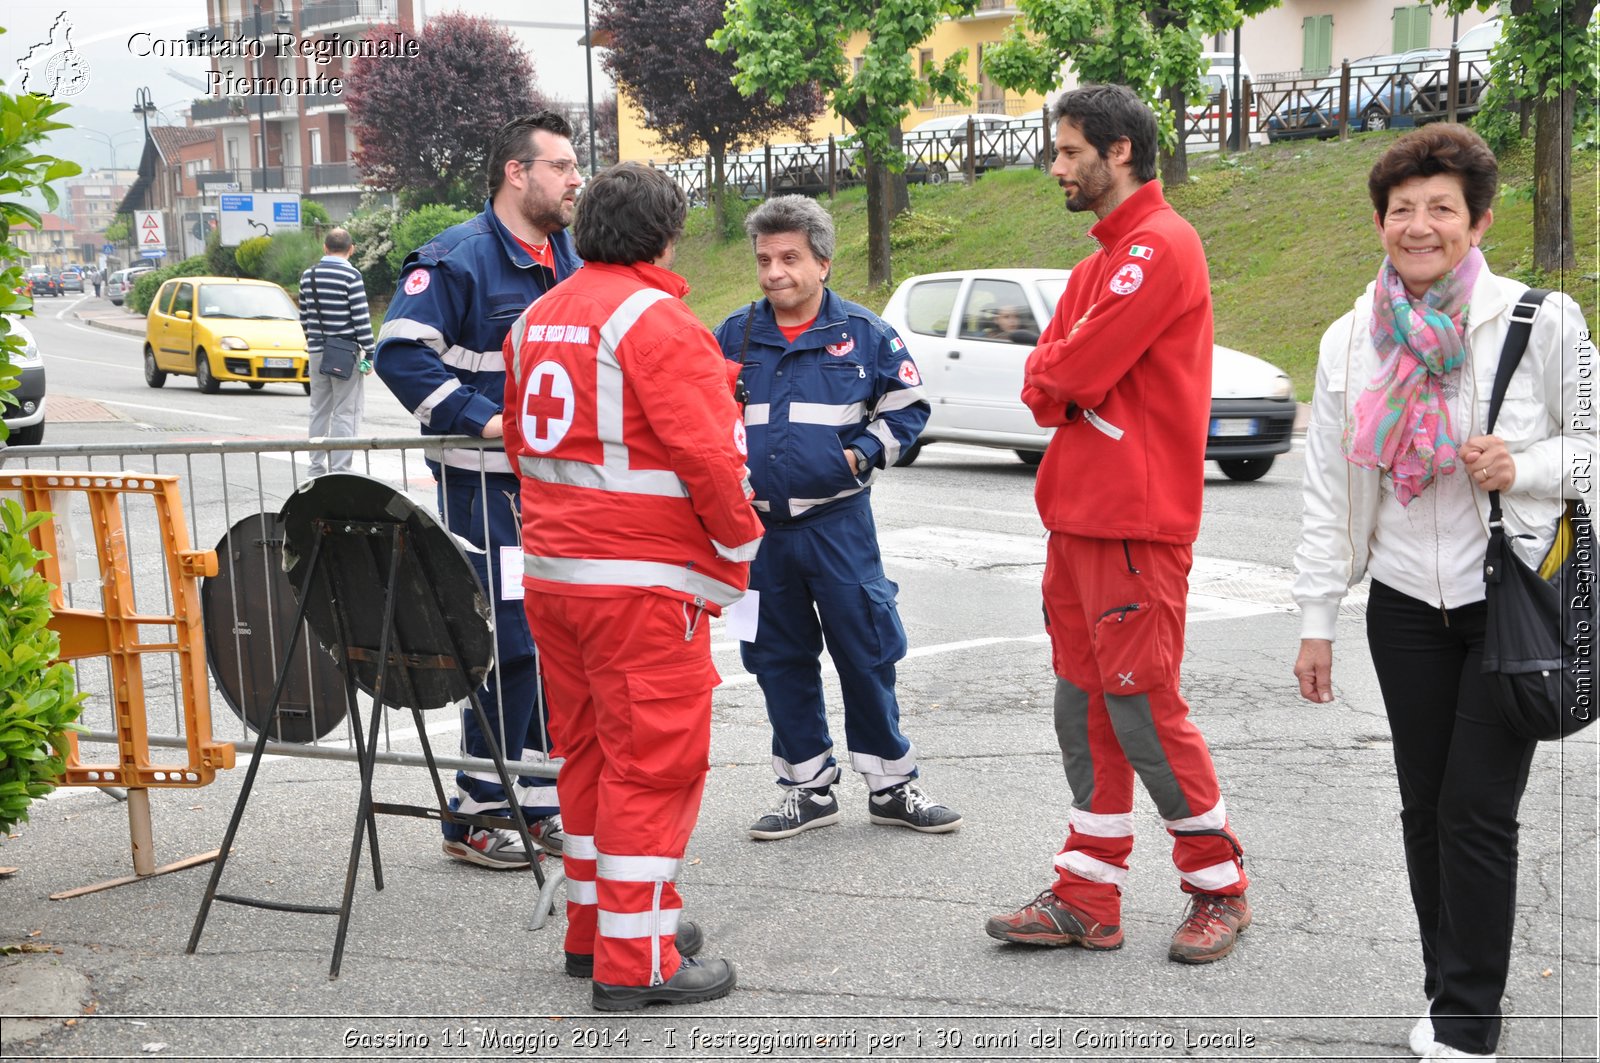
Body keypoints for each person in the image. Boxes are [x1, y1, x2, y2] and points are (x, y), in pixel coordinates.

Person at [1292, 125, 1590, 1061]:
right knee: (1424, 809)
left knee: (1474, 809)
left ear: (1479, 219)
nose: (1419, 226)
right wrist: (1317, 619)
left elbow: (1590, 449)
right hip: (1404, 608)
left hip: (1507, 600)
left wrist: (1524, 464)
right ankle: (1444, 984)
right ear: (1381, 222)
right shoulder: (1352, 340)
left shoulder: (1545, 321)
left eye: (1441, 209)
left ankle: (1469, 1019)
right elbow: (1334, 490)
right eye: (1402, 210)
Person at [985, 84, 1249, 964]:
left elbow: (1077, 370)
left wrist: (1063, 368)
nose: (1055, 168)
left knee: (1142, 709)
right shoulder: (1101, 264)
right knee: (1082, 706)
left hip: (1135, 522)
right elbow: (1041, 383)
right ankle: (1087, 895)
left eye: (1067, 152)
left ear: (1120, 151)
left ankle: (1219, 886)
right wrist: (1061, 368)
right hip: (1077, 518)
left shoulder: (1158, 246)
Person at [504, 161, 762, 1009]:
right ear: (667, 235)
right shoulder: (659, 322)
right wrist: (741, 541)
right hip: (644, 589)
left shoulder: (536, 318)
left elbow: (521, 452)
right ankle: (639, 959)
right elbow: (710, 458)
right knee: (652, 768)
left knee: (586, 756)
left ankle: (598, 930)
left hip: (555, 580)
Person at [712, 195, 962, 841]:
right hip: (760, 535)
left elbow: (908, 407)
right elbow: (704, 419)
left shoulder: (866, 334)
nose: (774, 272)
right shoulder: (732, 336)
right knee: (776, 659)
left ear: (823, 261)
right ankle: (806, 788)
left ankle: (892, 785)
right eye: (765, 259)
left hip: (839, 527)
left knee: (867, 652)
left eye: (789, 258)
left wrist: (859, 455)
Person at [375, 111, 583, 869]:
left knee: (551, 643)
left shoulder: (570, 255)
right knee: (503, 643)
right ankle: (475, 809)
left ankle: (532, 797)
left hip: (556, 489)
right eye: (559, 165)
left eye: (573, 166)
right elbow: (398, 356)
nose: (573, 179)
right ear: (515, 171)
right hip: (486, 492)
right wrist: (482, 419)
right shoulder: (457, 259)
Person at [298, 228, 375, 478]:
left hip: (317, 351)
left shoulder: (308, 276)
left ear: (325, 247)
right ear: (351, 249)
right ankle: (340, 468)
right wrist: (370, 352)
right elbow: (361, 319)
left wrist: (315, 342)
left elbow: (304, 319)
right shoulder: (351, 276)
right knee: (346, 410)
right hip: (345, 353)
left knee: (318, 408)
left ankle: (315, 467)